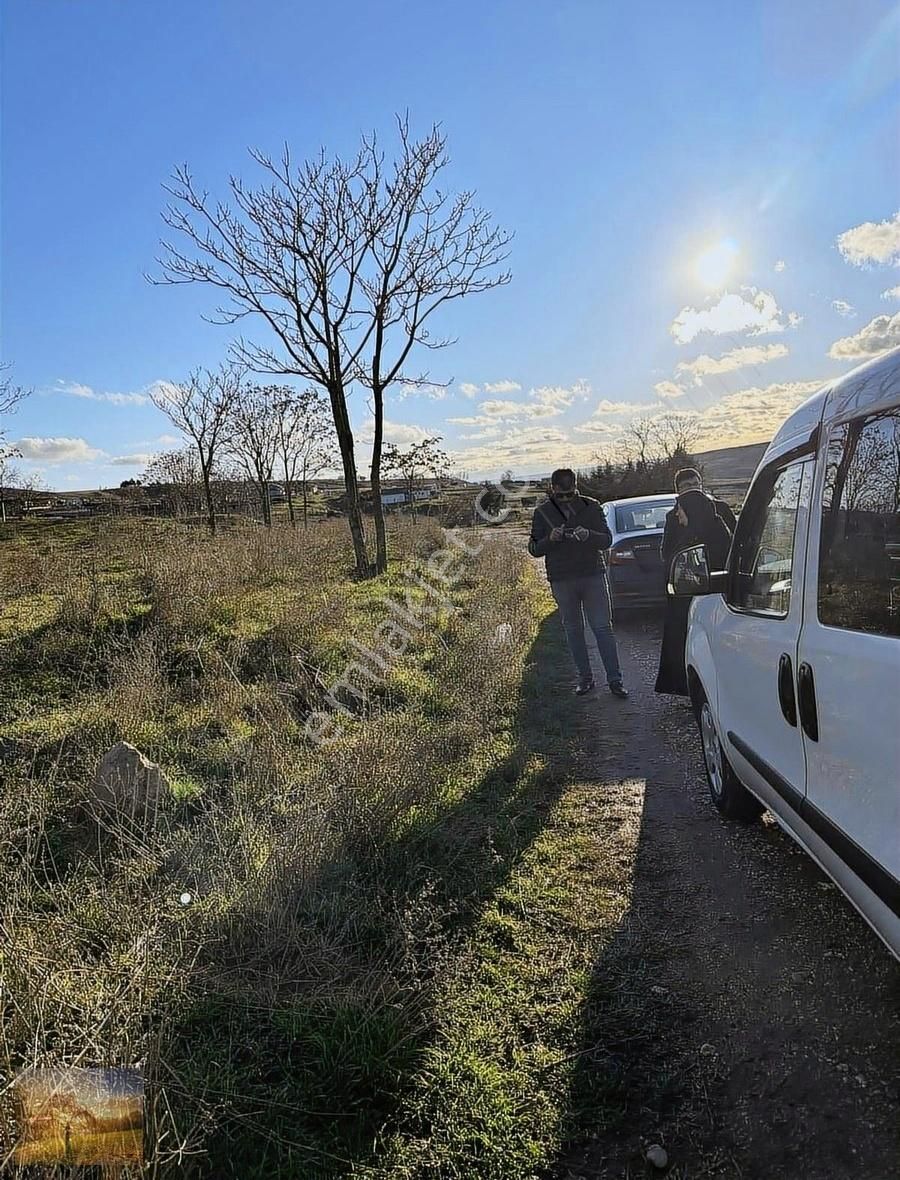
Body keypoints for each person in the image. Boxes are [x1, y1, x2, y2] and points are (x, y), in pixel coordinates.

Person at [528, 468, 629, 698]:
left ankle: (615, 680)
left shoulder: (592, 506)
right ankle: (585, 679)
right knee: (573, 630)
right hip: (562, 579)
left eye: (570, 493)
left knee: (602, 628)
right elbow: (533, 548)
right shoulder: (542, 512)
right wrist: (549, 539)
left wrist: (589, 536)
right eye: (561, 494)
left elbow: (607, 540)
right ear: (552, 489)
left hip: (592, 574)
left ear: (576, 487)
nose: (566, 498)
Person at [655, 488, 733, 696]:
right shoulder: (691, 532)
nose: (677, 515)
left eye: (680, 510)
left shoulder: (715, 534)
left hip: (708, 606)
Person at [660, 467, 736, 572]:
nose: (693, 488)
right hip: (692, 575)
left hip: (722, 568)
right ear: (678, 490)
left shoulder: (720, 508)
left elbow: (734, 538)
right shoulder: (674, 516)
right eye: (687, 485)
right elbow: (667, 553)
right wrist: (686, 528)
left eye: (696, 484)